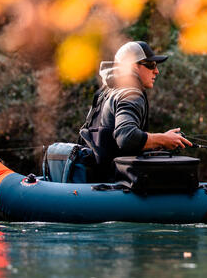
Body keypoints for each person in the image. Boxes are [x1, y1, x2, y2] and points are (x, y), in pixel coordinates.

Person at [78, 40, 192, 180]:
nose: (156, 71)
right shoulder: (131, 94)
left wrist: (157, 141)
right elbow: (127, 137)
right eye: (151, 65)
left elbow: (113, 140)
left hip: (96, 181)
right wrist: (162, 139)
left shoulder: (106, 92)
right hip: (112, 185)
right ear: (132, 67)